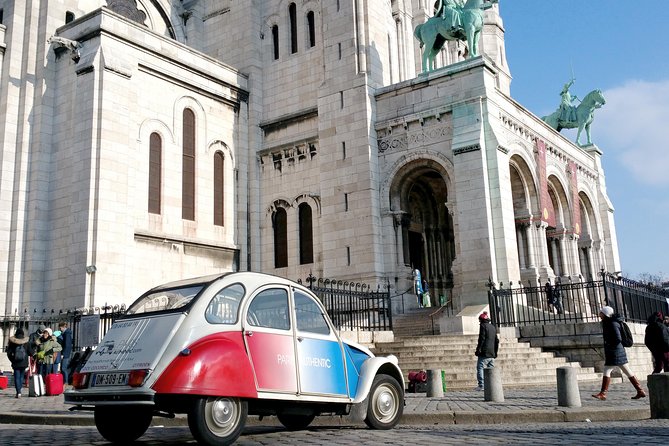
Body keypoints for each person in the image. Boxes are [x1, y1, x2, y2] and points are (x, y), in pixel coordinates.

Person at [592, 306, 646, 400]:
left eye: (601, 313)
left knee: (607, 370)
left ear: (605, 314)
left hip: (615, 351)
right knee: (627, 370)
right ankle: (640, 391)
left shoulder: (612, 323)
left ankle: (603, 393)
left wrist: (609, 344)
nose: (599, 314)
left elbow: (617, 338)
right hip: (617, 350)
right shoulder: (610, 322)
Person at [474, 311, 498, 391]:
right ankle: (492, 384)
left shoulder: (483, 326)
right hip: (492, 352)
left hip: (484, 351)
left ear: (481, 320)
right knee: (490, 368)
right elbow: (496, 340)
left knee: (480, 367)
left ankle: (482, 385)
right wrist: (495, 352)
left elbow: (482, 339)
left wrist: (478, 349)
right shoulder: (492, 327)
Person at [6, 327, 30, 398]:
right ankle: (20, 389)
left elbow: (9, 353)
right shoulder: (26, 342)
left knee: (17, 377)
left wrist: (12, 360)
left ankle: (18, 392)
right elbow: (29, 351)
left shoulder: (13, 342)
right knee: (22, 376)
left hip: (15, 362)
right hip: (24, 362)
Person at [58, 321, 73, 385]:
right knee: (63, 368)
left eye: (60, 328)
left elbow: (67, 345)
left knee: (63, 368)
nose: (60, 329)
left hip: (65, 354)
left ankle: (65, 381)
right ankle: (64, 381)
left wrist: (63, 354)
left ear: (63, 327)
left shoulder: (66, 334)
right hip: (66, 353)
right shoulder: (66, 333)